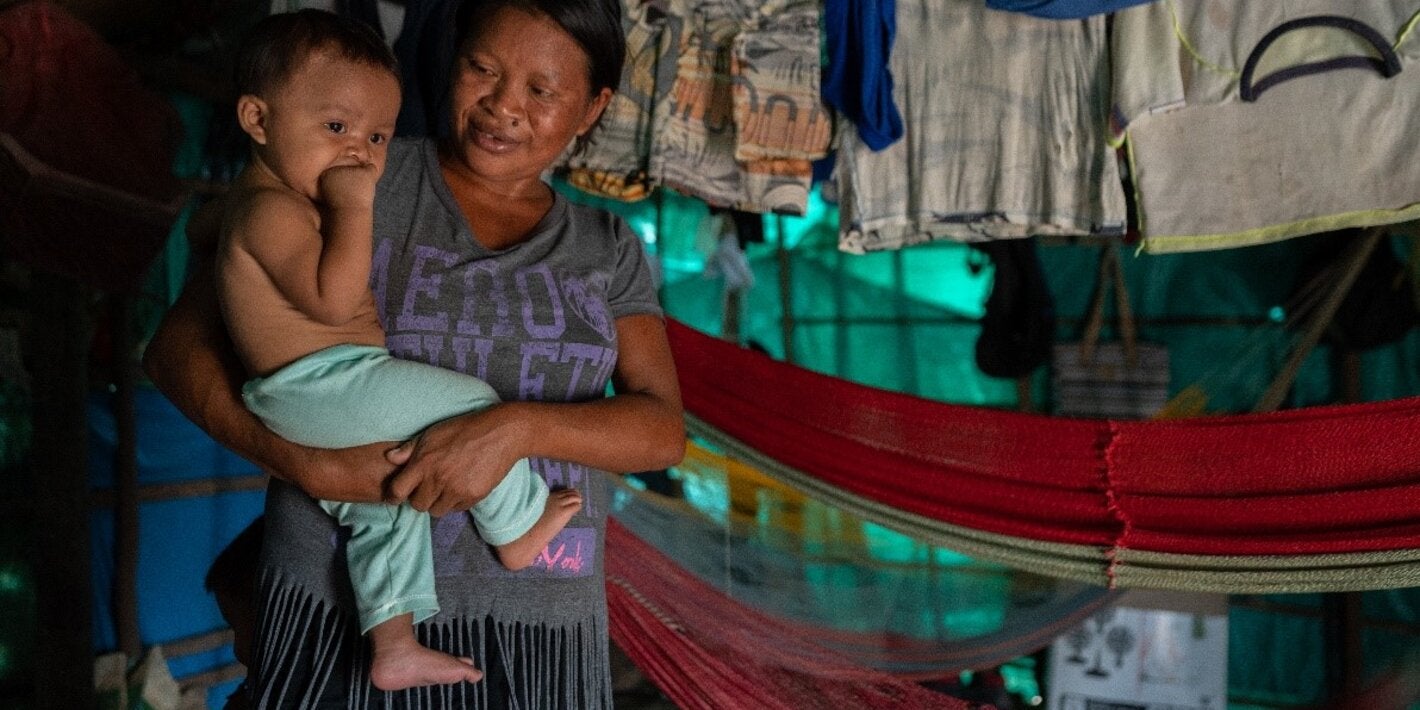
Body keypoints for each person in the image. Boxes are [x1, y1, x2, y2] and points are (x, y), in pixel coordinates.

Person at [143, 0, 685, 705]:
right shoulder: (351, 169)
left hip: (541, 628)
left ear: (592, 107)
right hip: (337, 617)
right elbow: (175, 352)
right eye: (480, 69)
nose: (501, 107)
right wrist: (305, 463)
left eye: (541, 91)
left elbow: (661, 431)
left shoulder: (606, 249)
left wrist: (512, 429)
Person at [216, 9, 598, 692]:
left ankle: (393, 641)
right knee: (476, 405)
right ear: (257, 119)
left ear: (592, 108)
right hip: (319, 384)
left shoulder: (290, 198)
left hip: (322, 391)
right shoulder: (270, 209)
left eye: (377, 135)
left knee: (385, 512)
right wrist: (357, 207)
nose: (358, 151)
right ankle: (515, 526)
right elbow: (331, 303)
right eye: (335, 128)